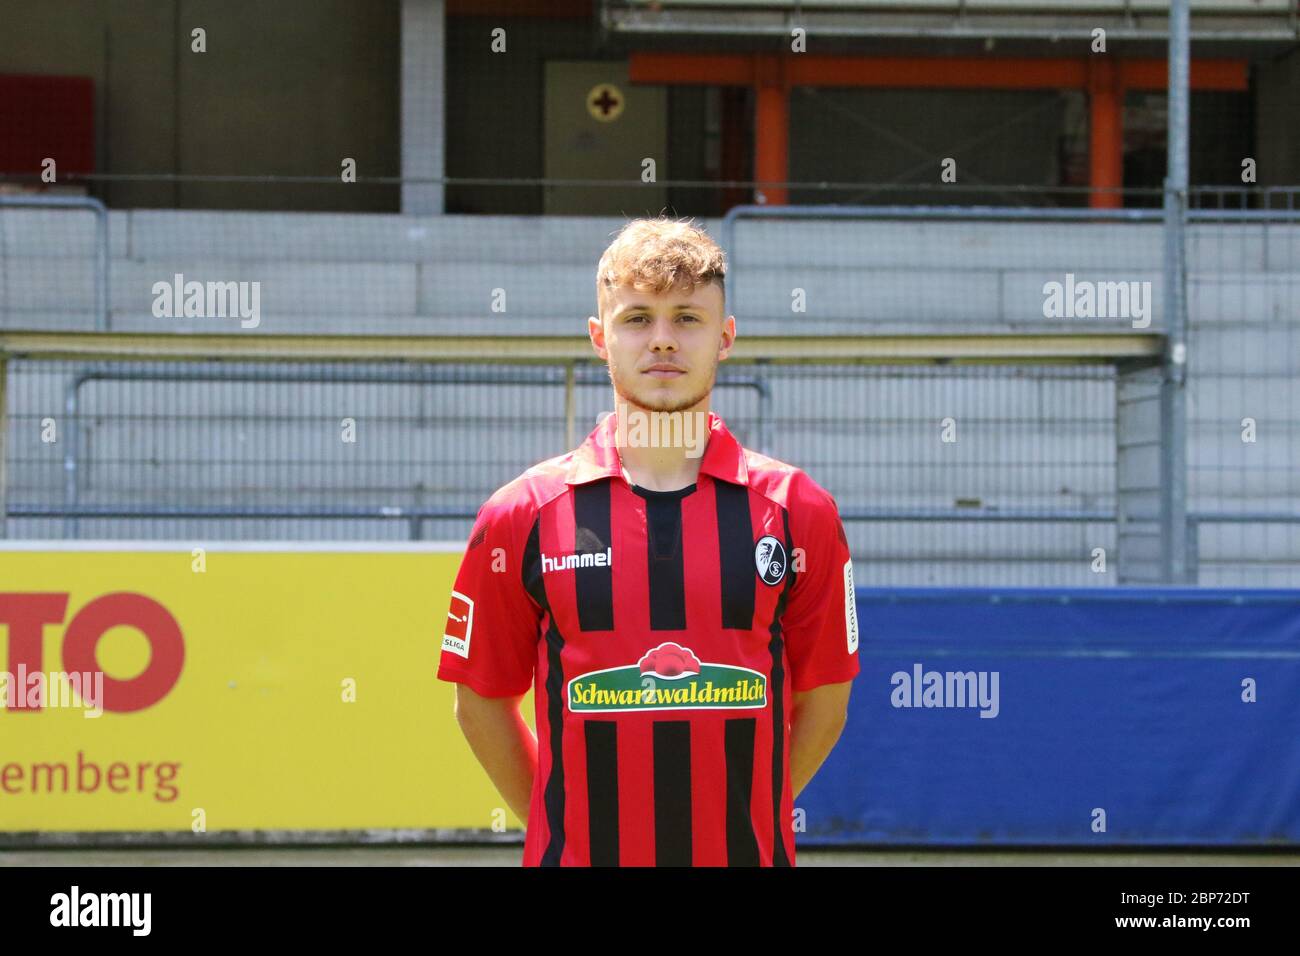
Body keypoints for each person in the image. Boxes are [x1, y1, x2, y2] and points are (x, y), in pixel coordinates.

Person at [436, 216, 859, 866]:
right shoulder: (520, 515)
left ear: (725, 337)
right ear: (600, 338)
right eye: (638, 319)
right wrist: (564, 829)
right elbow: (480, 703)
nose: (662, 340)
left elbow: (825, 701)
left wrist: (748, 818)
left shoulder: (799, 511)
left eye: (687, 318)